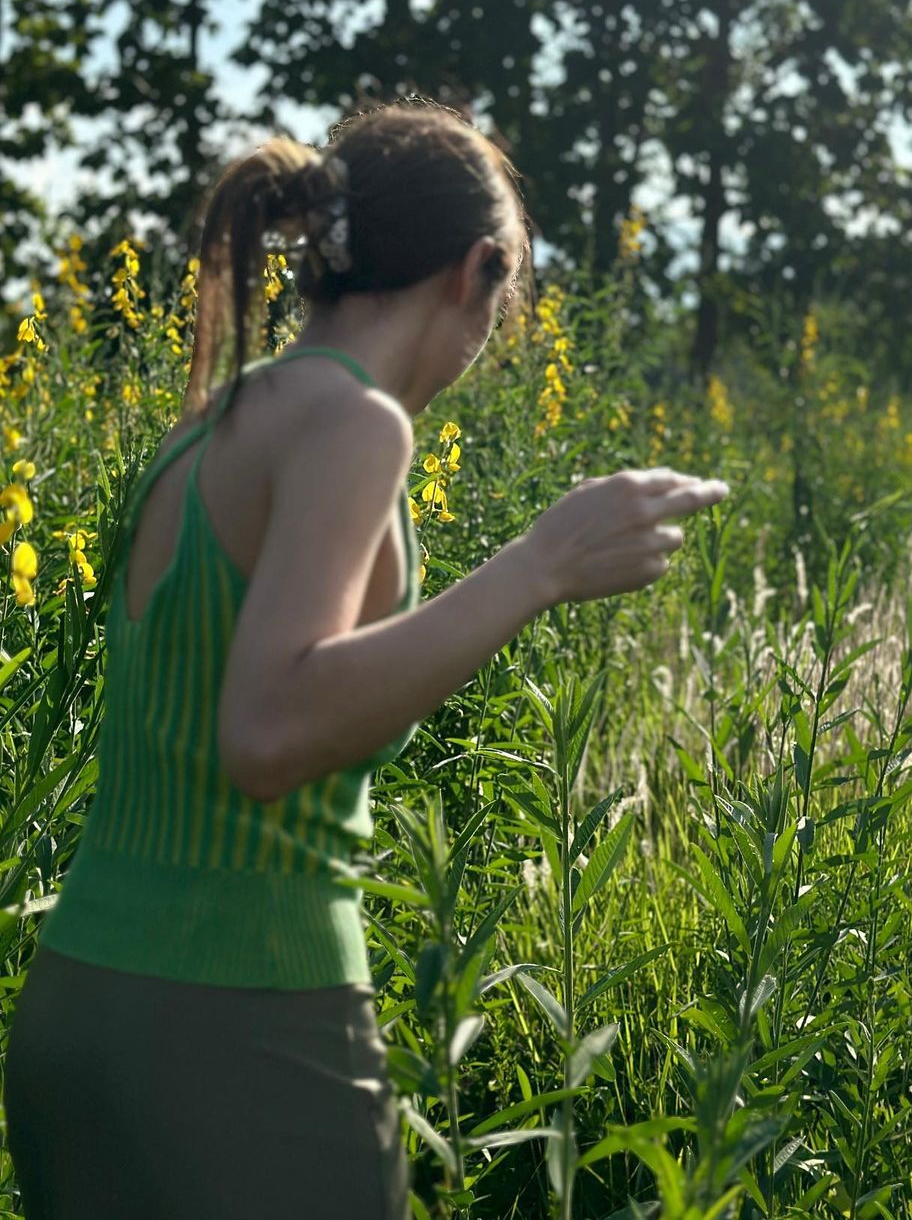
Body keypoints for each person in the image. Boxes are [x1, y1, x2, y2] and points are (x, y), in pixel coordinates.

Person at [2, 94, 729, 1219]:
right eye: (508, 294)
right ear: (475, 269)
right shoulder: (357, 424)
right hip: (242, 1017)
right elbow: (268, 730)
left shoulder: (212, 424)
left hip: (80, 1017)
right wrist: (537, 564)